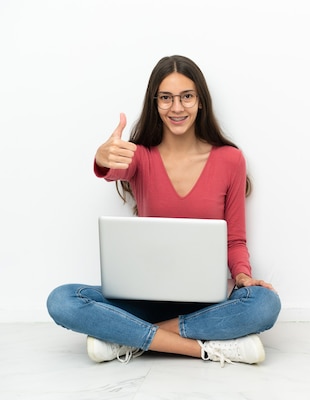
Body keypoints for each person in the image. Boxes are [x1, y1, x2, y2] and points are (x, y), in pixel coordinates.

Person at [47, 55, 281, 366]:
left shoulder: (230, 160)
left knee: (264, 304)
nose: (177, 107)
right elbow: (112, 167)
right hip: (145, 299)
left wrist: (242, 275)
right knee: (62, 300)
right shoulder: (139, 157)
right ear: (155, 103)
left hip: (206, 303)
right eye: (166, 98)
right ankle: (206, 348)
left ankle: (128, 339)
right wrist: (102, 157)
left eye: (186, 96)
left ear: (200, 101)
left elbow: (234, 240)